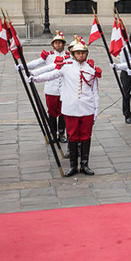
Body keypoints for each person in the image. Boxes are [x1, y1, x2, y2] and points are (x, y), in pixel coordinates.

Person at [28, 37, 101, 176]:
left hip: (87, 108)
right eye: (78, 53)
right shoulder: (66, 67)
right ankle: (73, 166)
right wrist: (35, 78)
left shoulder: (91, 69)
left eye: (83, 53)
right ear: (73, 54)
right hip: (71, 108)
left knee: (86, 136)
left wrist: (96, 109)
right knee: (72, 136)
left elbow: (95, 91)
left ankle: (85, 164)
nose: (81, 55)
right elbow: (52, 74)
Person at [27, 32, 68, 143]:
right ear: (53, 45)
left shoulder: (69, 56)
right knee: (52, 112)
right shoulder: (49, 55)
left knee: (64, 112)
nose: (58, 45)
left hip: (64, 89)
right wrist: (24, 66)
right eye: (56, 43)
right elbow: (37, 63)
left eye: (60, 43)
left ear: (63, 44)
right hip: (51, 88)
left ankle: (62, 133)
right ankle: (53, 133)